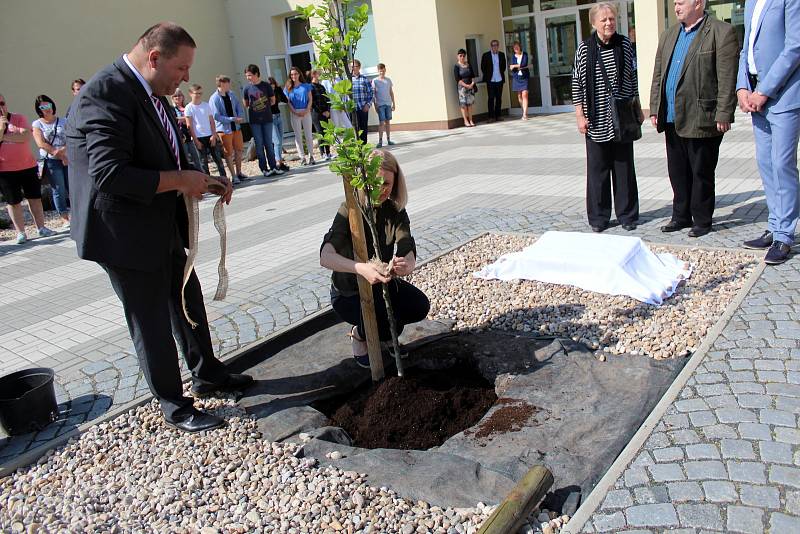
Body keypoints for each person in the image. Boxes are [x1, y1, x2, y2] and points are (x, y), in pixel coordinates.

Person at [66, 22, 251, 432]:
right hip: (123, 235)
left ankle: (208, 374)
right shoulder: (104, 94)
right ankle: (174, 404)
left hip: (159, 222)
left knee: (187, 298)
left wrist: (201, 180)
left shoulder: (152, 92)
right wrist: (181, 181)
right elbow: (110, 174)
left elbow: (161, 154)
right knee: (150, 320)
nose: (186, 77)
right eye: (181, 68)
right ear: (154, 58)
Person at [319, 149, 430, 368]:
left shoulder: (394, 209)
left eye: (387, 184)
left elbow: (406, 244)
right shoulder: (349, 210)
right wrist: (361, 268)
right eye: (374, 183)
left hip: (383, 286)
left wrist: (407, 265)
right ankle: (360, 334)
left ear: (396, 182)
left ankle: (385, 334)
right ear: (363, 180)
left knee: (419, 306)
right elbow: (326, 257)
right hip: (348, 293)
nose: (381, 190)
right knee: (378, 310)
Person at [650, 0, 738, 238]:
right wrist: (655, 108)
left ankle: (702, 219)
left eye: (681, 2)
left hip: (702, 116)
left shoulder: (721, 32)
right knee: (677, 171)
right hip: (671, 116)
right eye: (675, 3)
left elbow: (727, 76)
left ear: (698, 3)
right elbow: (659, 73)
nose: (676, 7)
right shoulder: (669, 34)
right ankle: (680, 215)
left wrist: (724, 112)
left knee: (701, 171)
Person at [736, 0, 800, 265]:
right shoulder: (751, 2)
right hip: (755, 96)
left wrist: (764, 90)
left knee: (782, 164)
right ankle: (775, 226)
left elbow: (794, 47)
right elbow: (746, 48)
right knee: (765, 163)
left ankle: (785, 235)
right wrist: (742, 88)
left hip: (783, 96)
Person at [571, 2, 642, 233]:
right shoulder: (585, 49)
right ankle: (599, 218)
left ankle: (627, 215)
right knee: (598, 172)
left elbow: (632, 78)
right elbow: (577, 84)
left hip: (621, 117)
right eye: (603, 19)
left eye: (611, 18)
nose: (609, 23)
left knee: (623, 169)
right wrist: (580, 115)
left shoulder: (625, 45)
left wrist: (638, 108)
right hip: (596, 117)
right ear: (594, 23)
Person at [0, 94, 56, 244]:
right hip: (5, 170)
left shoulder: (18, 118)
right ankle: (21, 233)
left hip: (28, 166)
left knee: (35, 198)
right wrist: (2, 128)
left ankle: (42, 228)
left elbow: (25, 137)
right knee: (13, 202)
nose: (1, 107)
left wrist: (3, 137)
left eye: (2, 103)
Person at [31, 94, 70, 226]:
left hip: (68, 158)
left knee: (72, 187)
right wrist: (59, 154)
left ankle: (78, 213)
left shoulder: (64, 121)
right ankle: (64, 217)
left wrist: (64, 153)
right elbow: (40, 143)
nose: (47, 109)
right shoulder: (37, 124)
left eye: (48, 105)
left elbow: (72, 138)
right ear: (39, 110)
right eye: (43, 107)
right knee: (58, 188)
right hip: (52, 160)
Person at [243, 64, 282, 177]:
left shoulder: (266, 85)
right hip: (255, 121)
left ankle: (273, 167)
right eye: (247, 76)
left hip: (267, 119)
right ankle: (264, 169)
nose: (248, 77)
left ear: (256, 74)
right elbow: (245, 103)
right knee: (259, 144)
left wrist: (263, 106)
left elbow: (273, 100)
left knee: (269, 143)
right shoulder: (247, 88)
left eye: (249, 75)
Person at [209, 75, 248, 182]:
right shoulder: (214, 98)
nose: (229, 85)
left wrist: (239, 116)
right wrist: (231, 119)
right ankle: (233, 176)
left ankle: (239, 172)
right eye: (227, 83)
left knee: (239, 150)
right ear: (221, 84)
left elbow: (238, 107)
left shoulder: (232, 94)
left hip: (236, 127)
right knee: (228, 153)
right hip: (224, 130)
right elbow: (216, 116)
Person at [185, 84, 228, 179]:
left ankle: (224, 179)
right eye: (197, 93)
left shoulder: (206, 105)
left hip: (210, 135)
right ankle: (208, 183)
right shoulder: (189, 107)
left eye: (200, 93)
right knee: (203, 162)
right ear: (190, 94)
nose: (199, 95)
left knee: (218, 159)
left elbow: (212, 121)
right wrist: (196, 141)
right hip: (198, 137)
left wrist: (213, 135)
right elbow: (189, 125)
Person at [284, 67, 316, 165]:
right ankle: (302, 157)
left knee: (308, 135)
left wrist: (307, 110)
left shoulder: (306, 86)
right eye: (292, 74)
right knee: (298, 136)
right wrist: (295, 112)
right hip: (295, 112)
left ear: (299, 74)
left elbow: (310, 99)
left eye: (296, 74)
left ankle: (311, 156)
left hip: (306, 111)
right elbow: (288, 102)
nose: (294, 76)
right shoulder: (288, 88)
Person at [170, 88, 203, 172]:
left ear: (183, 97)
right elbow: (174, 119)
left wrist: (185, 119)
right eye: (175, 96)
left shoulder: (187, 106)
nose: (178, 97)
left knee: (197, 159)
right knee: (186, 160)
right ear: (172, 98)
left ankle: (202, 175)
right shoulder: (172, 109)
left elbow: (194, 117)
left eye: (179, 95)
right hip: (181, 138)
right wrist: (186, 118)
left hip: (191, 136)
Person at [308, 70, 332, 161]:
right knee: (320, 132)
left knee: (326, 132)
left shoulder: (322, 87)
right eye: (319, 74)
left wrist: (328, 110)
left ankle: (328, 152)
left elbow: (327, 99)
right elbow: (313, 102)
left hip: (325, 112)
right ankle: (322, 153)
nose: (320, 75)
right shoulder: (310, 87)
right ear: (313, 75)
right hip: (316, 113)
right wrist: (321, 111)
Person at [267, 76, 290, 171]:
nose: (272, 87)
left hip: (278, 116)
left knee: (280, 140)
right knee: (276, 140)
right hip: (270, 118)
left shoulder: (277, 90)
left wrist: (279, 91)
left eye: (273, 85)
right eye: (270, 86)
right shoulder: (265, 94)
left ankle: (280, 161)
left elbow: (285, 99)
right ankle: (278, 162)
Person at [481, 40, 507, 122]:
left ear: (498, 46)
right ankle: (491, 117)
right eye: (493, 45)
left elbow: (504, 67)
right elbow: (483, 67)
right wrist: (488, 76)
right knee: (491, 98)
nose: (494, 47)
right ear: (491, 46)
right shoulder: (486, 55)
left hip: (499, 79)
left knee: (499, 98)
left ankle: (498, 115)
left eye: (496, 45)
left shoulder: (502, 55)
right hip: (491, 80)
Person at [372, 63, 396, 147]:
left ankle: (389, 140)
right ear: (378, 71)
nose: (382, 72)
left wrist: (394, 103)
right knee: (381, 123)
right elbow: (373, 94)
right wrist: (375, 105)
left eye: (383, 70)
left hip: (388, 104)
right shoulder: (375, 81)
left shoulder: (388, 80)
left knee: (388, 122)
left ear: (385, 70)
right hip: (380, 105)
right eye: (380, 71)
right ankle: (380, 141)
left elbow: (391, 92)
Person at [351, 59, 374, 144]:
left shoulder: (364, 79)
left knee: (363, 128)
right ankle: (357, 148)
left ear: (359, 67)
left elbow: (371, 93)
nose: (353, 68)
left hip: (362, 108)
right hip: (352, 109)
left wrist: (368, 105)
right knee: (354, 129)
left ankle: (364, 148)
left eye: (355, 66)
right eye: (351, 67)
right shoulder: (348, 80)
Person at [454, 49, 477, 127]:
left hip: (470, 87)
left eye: (464, 55)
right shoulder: (456, 66)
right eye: (460, 56)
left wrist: (472, 84)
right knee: (463, 105)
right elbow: (458, 79)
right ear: (458, 56)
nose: (462, 57)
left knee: (470, 105)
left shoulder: (468, 65)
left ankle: (471, 120)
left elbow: (473, 76)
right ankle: (465, 121)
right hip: (462, 88)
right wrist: (466, 85)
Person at [509, 41, 531, 120]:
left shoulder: (524, 54)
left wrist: (515, 66)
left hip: (524, 77)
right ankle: (523, 111)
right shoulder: (513, 57)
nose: (516, 48)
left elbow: (524, 64)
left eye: (517, 46)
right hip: (516, 78)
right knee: (519, 96)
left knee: (524, 94)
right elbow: (510, 67)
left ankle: (525, 114)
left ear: (520, 47)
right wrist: (515, 66)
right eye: (514, 47)